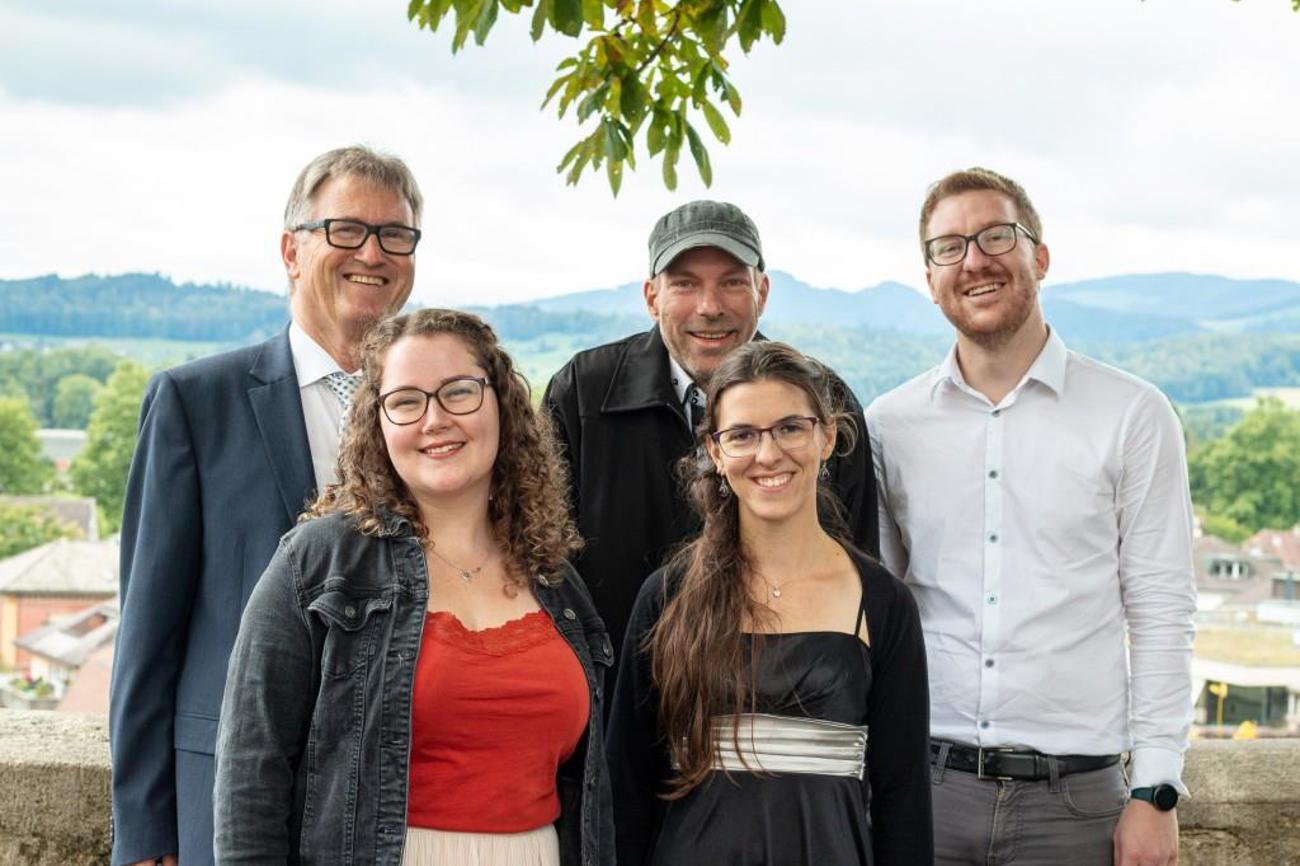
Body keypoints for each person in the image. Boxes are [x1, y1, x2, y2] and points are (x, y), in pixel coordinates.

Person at [866, 167, 1196, 866]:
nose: (973, 261)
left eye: (995, 236)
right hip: (926, 790)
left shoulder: (1133, 414)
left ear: (1039, 257)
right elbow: (878, 609)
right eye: (949, 247)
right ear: (930, 279)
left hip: (1077, 805)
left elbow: (1162, 606)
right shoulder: (889, 425)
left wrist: (1156, 788)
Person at [109, 145, 423, 866]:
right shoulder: (196, 403)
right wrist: (145, 832)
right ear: (291, 250)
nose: (372, 253)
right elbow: (149, 630)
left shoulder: (438, 417)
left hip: (391, 801)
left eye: (395, 235)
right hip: (226, 794)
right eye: (346, 229)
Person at [214, 309, 615, 865]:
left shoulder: (554, 578)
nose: (435, 419)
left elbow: (591, 793)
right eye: (406, 401)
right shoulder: (318, 563)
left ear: (501, 403)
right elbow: (249, 776)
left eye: (459, 392)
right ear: (377, 422)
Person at [606, 340, 932, 866]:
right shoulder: (667, 596)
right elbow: (626, 790)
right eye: (743, 435)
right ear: (715, 451)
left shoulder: (881, 602)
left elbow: (904, 802)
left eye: (790, 428)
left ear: (827, 436)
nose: (768, 454)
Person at [543, 200, 879, 657]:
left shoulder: (822, 400)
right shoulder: (583, 394)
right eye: (685, 284)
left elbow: (858, 561)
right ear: (651, 297)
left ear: (762, 292)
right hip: (618, 682)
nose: (709, 307)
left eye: (732, 282)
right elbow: (542, 557)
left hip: (784, 688)